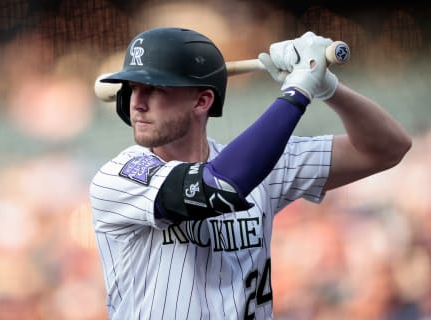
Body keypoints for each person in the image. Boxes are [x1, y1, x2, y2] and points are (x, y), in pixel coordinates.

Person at [89, 27, 411, 320]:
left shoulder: (261, 162)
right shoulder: (119, 176)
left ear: (202, 100)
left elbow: (387, 147)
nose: (137, 103)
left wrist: (327, 86)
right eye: (132, 88)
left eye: (154, 89)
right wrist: (298, 89)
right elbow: (219, 186)